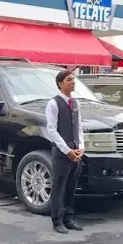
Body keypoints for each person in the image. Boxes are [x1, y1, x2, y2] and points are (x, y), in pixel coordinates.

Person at [45, 70, 84, 234]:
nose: (73, 82)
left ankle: (69, 217)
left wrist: (81, 146)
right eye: (69, 80)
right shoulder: (54, 103)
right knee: (59, 187)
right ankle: (57, 220)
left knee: (71, 186)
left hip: (76, 152)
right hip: (62, 153)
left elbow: (79, 127)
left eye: (73, 80)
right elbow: (51, 130)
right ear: (60, 83)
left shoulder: (75, 103)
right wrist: (67, 150)